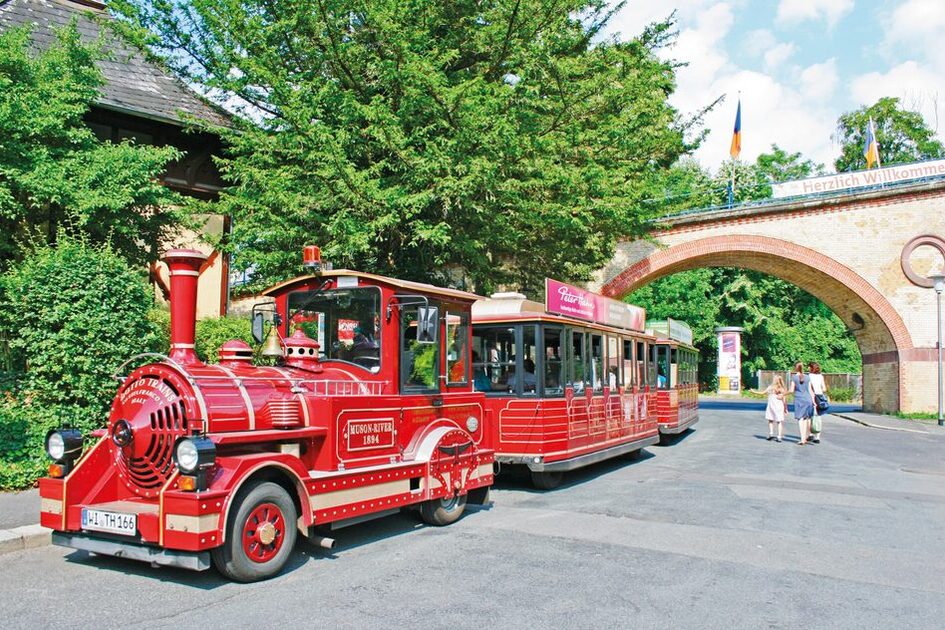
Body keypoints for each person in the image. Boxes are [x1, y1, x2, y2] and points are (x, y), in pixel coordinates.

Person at [788, 361, 816, 445]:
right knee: (806, 418)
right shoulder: (807, 377)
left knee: (800, 419)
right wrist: (814, 401)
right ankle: (804, 438)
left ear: (795, 368)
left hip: (799, 400)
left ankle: (802, 439)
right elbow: (811, 391)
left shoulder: (794, 378)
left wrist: (783, 394)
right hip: (808, 400)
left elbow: (791, 390)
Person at [761, 375, 787, 442]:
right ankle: (779, 436)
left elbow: (762, 393)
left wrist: (753, 391)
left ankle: (771, 434)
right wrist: (785, 408)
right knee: (779, 422)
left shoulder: (770, 387)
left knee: (770, 420)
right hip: (779, 406)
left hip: (771, 406)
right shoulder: (782, 389)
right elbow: (784, 399)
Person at [808, 362, 828, 444]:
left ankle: (811, 434)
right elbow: (824, 389)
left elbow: (808, 387)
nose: (808, 368)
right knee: (818, 416)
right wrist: (819, 390)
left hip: (812, 396)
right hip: (820, 396)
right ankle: (817, 437)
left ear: (811, 368)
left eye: (809, 367)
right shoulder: (821, 376)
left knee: (810, 415)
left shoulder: (809, 376)